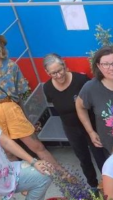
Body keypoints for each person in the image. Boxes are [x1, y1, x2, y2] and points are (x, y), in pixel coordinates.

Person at [0, 24, 57, 165]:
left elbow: (19, 95)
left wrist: (26, 117)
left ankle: (63, 177)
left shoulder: (11, 65)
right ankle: (22, 183)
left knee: (37, 146)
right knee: (7, 151)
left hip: (11, 109)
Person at [43, 53, 108, 188]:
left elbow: (95, 99)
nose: (58, 75)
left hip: (91, 124)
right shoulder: (48, 88)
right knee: (83, 158)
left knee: (100, 155)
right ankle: (93, 185)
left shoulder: (81, 80)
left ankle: (109, 183)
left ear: (65, 66)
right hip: (71, 128)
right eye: (53, 73)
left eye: (60, 70)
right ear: (47, 73)